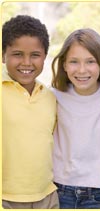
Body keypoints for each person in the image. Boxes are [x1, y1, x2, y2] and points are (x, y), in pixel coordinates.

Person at [51, 28, 100, 209]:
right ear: (63, 65)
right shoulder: (53, 96)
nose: (82, 70)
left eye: (90, 61)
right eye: (73, 62)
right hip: (59, 191)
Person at [2, 15, 59, 208]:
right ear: (3, 55)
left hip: (47, 196)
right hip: (6, 198)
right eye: (17, 54)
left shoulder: (49, 97)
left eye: (35, 55)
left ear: (44, 56)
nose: (27, 62)